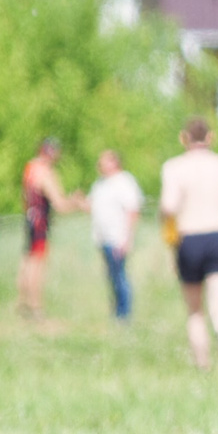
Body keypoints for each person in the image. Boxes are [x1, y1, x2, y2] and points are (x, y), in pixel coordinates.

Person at [159, 119, 218, 369]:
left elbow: (169, 206)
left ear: (183, 138)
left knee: (195, 311)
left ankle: (202, 364)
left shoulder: (174, 168)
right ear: (211, 137)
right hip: (217, 236)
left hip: (189, 239)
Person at [18, 138, 77, 318]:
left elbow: (24, 197)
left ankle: (23, 304)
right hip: (41, 222)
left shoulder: (30, 168)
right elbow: (60, 205)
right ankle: (36, 307)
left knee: (27, 263)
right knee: (37, 265)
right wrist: (76, 202)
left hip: (29, 217)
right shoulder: (45, 172)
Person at [86, 150, 144, 323]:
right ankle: (117, 312)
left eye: (103, 161)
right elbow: (92, 206)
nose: (100, 165)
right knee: (111, 276)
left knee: (120, 276)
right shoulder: (101, 184)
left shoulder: (125, 182)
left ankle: (124, 314)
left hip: (117, 238)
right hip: (103, 238)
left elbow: (133, 211)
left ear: (114, 162)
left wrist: (127, 239)